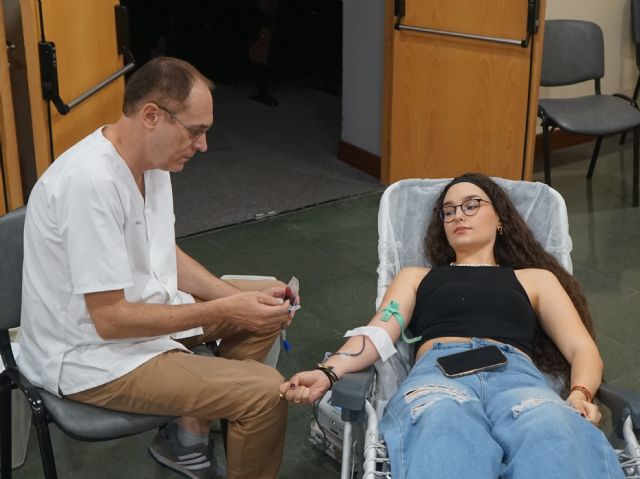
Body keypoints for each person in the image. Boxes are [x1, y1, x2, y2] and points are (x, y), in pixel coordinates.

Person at [18, 57, 296, 479]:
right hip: (92, 356)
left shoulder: (153, 163)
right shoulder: (89, 183)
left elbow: (164, 254)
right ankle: (211, 409)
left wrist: (238, 300)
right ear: (151, 115)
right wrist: (226, 310)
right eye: (196, 130)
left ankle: (186, 438)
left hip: (139, 323)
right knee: (265, 394)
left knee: (267, 303)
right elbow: (111, 320)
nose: (202, 145)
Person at [280, 173, 624, 478]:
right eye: (449, 210)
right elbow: (377, 333)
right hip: (439, 379)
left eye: (471, 205)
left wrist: (580, 394)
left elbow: (582, 349)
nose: (458, 214)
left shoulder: (534, 279)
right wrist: (327, 372)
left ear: (500, 218)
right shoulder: (417, 278)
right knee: (444, 426)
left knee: (552, 427)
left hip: (518, 381)